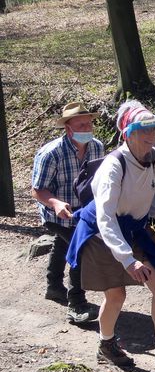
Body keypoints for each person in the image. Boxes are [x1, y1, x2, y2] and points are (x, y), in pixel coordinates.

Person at [66, 100, 155, 370]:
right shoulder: (113, 167)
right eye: (144, 129)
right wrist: (127, 259)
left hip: (136, 228)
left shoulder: (154, 157)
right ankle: (106, 344)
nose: (153, 135)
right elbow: (105, 218)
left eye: (154, 128)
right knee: (116, 296)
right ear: (128, 133)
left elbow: (152, 195)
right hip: (102, 234)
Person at [31, 101, 103, 324]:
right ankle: (77, 304)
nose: (86, 129)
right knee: (79, 249)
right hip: (55, 213)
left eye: (89, 124)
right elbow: (37, 190)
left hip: (83, 212)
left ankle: (54, 286)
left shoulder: (97, 147)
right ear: (68, 128)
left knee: (63, 243)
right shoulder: (51, 153)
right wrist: (56, 204)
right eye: (81, 125)